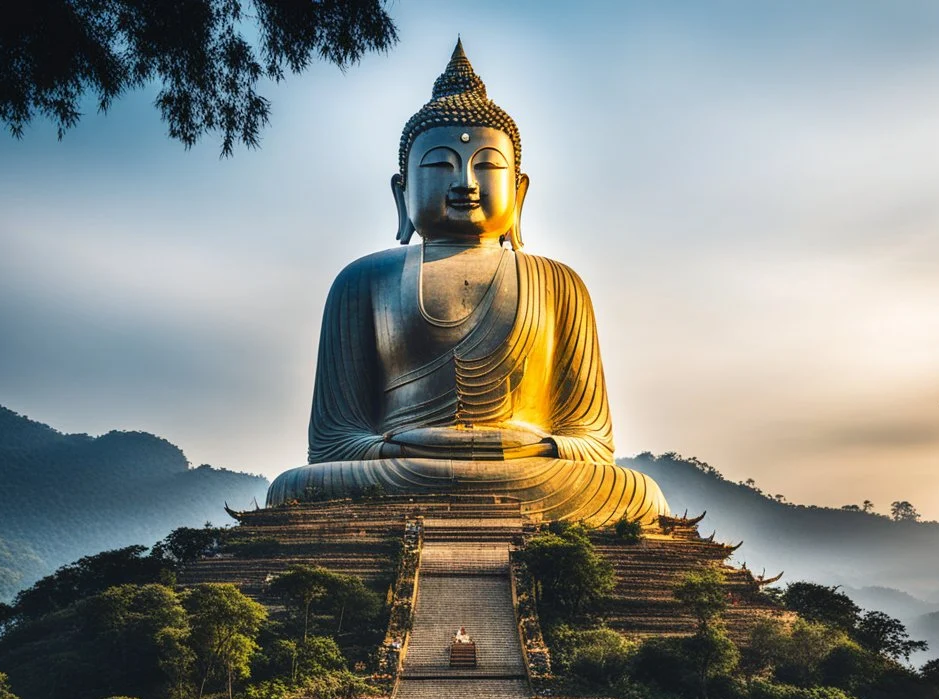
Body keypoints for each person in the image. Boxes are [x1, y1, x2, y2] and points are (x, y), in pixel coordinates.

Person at [264, 41, 670, 530]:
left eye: (487, 165)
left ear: (519, 192)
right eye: (439, 166)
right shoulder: (363, 280)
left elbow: (590, 439)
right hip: (404, 464)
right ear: (402, 191)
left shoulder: (559, 283)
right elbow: (334, 441)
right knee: (296, 487)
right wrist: (409, 443)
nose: (465, 182)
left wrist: (534, 443)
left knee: (635, 490)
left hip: (529, 466)